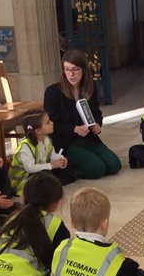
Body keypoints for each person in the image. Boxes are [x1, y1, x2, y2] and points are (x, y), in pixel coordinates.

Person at [44, 49, 122, 179]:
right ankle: (70, 170)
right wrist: (74, 129)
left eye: (75, 69)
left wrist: (97, 124)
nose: (71, 74)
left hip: (88, 138)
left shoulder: (90, 88)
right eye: (67, 69)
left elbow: (96, 113)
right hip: (66, 143)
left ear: (84, 70)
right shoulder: (53, 92)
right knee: (97, 169)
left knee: (114, 165)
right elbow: (52, 125)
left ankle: (88, 159)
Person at [9, 110, 75, 195]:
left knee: (65, 170)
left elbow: (51, 155)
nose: (52, 123)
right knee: (46, 176)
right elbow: (30, 168)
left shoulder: (47, 139)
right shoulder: (26, 146)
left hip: (40, 170)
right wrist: (51, 165)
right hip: (23, 179)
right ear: (38, 131)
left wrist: (60, 159)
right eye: (48, 122)